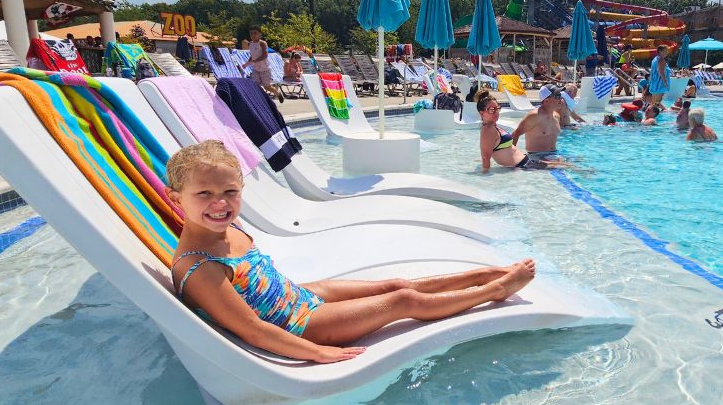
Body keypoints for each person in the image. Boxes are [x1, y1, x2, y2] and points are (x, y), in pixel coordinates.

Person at [166, 140, 536, 364]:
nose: (220, 203)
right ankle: (493, 291)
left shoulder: (227, 228)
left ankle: (481, 274)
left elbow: (262, 283)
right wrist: (317, 353)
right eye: (204, 195)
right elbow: (252, 329)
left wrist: (307, 292)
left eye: (230, 192)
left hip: (300, 295)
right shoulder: (200, 269)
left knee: (392, 282)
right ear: (175, 197)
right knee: (401, 300)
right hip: (300, 325)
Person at [476, 91, 565, 170]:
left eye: (497, 108)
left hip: (526, 163)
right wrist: (485, 178)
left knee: (565, 165)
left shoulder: (493, 126)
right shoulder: (488, 130)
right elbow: (485, 158)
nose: (496, 112)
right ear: (481, 112)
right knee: (566, 167)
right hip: (523, 166)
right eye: (492, 110)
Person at [511, 85, 563, 157]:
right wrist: (513, 157)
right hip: (536, 157)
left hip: (553, 154)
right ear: (546, 100)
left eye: (560, 95)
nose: (561, 99)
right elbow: (515, 134)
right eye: (557, 96)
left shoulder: (557, 116)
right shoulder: (535, 116)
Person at [243, 26, 283, 103]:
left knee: (267, 87)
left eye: (255, 33)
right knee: (255, 85)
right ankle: (258, 100)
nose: (253, 35)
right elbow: (252, 55)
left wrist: (255, 61)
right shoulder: (251, 44)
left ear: (260, 34)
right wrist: (247, 63)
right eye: (251, 34)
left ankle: (278, 93)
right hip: (256, 69)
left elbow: (265, 55)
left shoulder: (262, 43)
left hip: (265, 69)